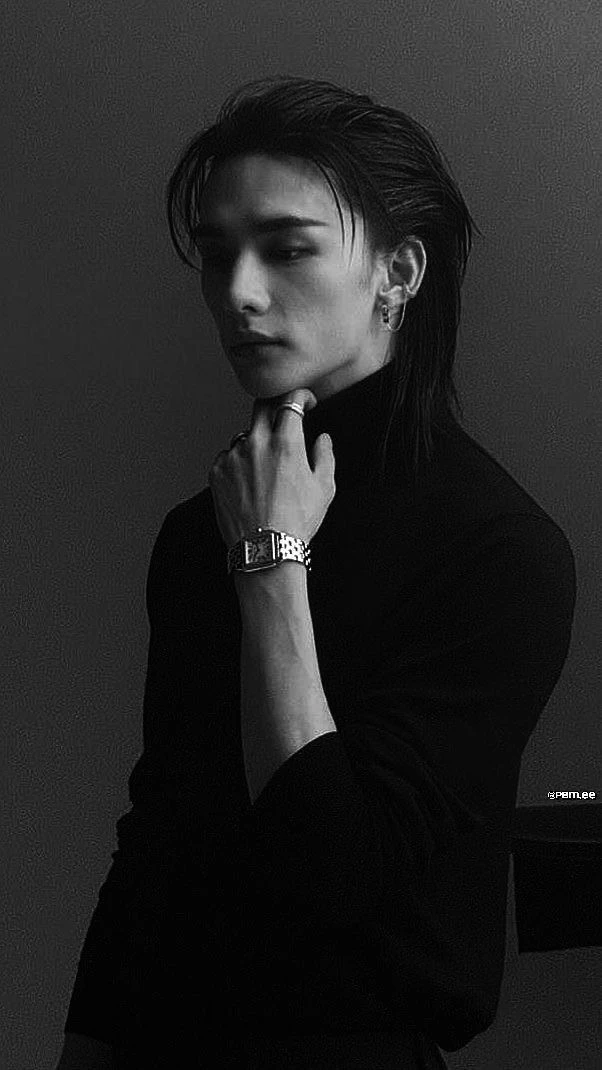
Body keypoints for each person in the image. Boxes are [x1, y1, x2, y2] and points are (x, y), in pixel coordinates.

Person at [57, 76, 576, 1069]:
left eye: (287, 248)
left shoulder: (498, 550)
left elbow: (327, 873)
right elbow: (157, 844)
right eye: (217, 254)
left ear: (397, 273)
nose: (238, 293)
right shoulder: (197, 531)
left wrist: (269, 562)